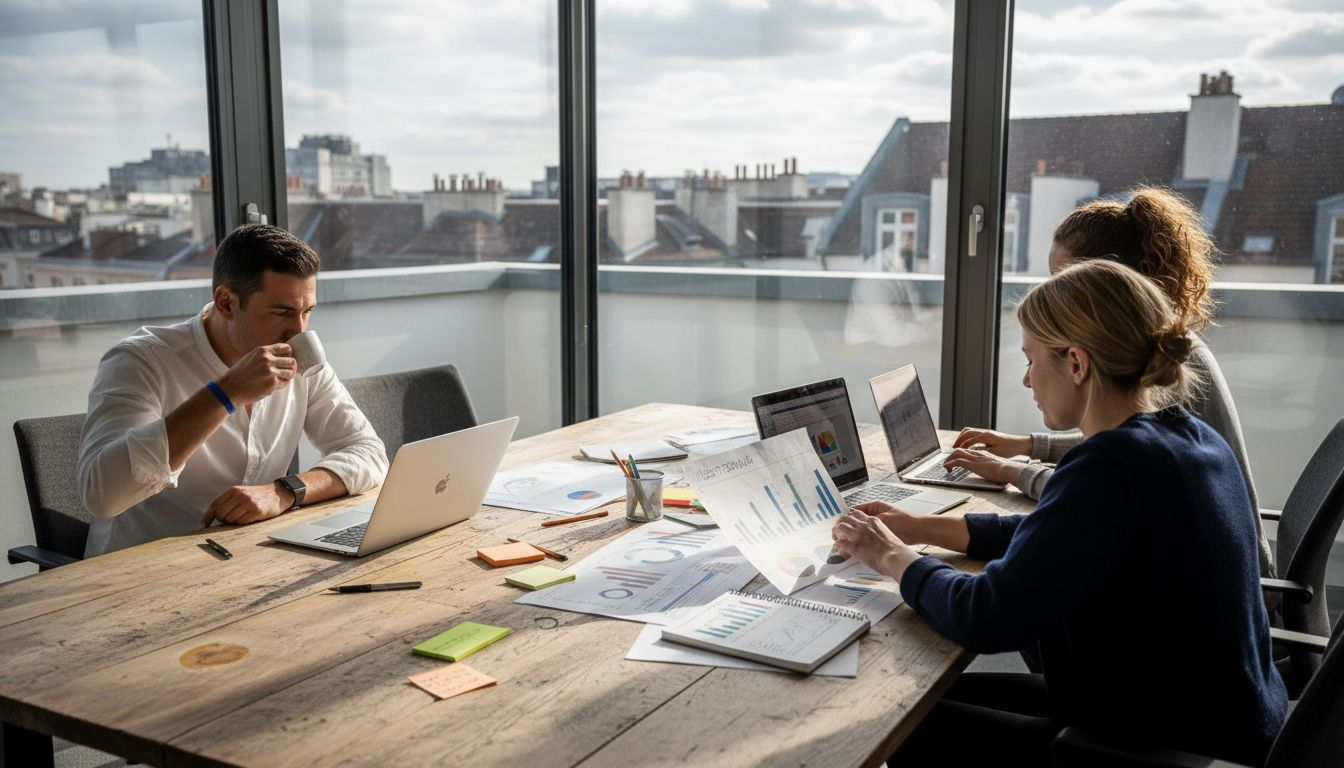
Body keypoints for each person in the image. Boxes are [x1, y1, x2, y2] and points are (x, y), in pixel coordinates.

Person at [831, 260, 1287, 765]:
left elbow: (987, 616)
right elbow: (1058, 534)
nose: (1026, 379)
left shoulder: (1108, 466)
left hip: (1158, 744)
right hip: (1221, 717)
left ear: (1076, 363)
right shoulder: (1189, 437)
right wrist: (920, 527)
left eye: (1030, 359)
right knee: (922, 703)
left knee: (900, 726)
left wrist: (891, 557)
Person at [944, 186, 1274, 579]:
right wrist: (1029, 446)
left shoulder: (1161, 369)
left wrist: (1015, 471)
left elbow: (1104, 487)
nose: (1054, 294)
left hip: (1216, 580)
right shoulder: (1159, 348)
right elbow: (1116, 449)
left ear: (1105, 281)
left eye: (1064, 280)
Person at [78, 224, 388, 556]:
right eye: (282, 312)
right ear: (226, 303)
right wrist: (224, 394)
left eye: (307, 312)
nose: (298, 331)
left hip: (248, 557)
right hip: (139, 568)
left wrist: (285, 491)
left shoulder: (299, 354)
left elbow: (369, 453)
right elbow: (102, 497)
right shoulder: (141, 360)